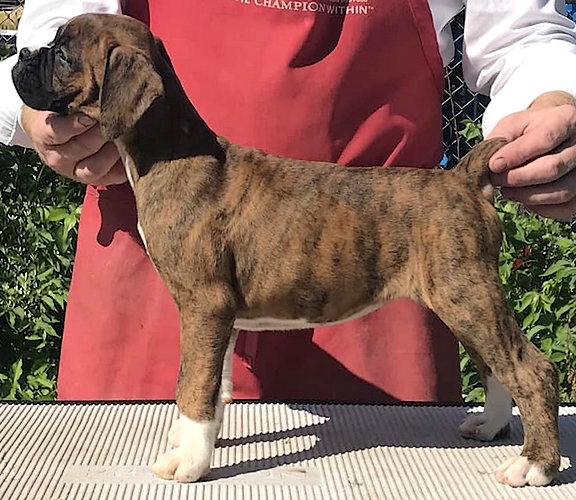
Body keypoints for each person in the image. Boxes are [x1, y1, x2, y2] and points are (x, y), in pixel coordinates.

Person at [0, 0, 575, 402]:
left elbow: (523, 37)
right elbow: (52, 45)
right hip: (150, 270)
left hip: (371, 247)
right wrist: (36, 117)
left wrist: (550, 100)